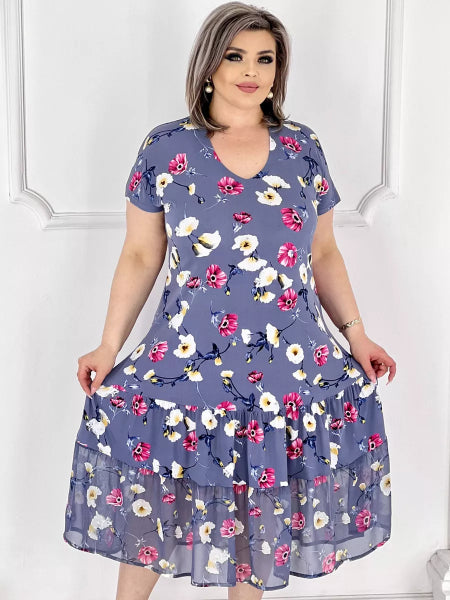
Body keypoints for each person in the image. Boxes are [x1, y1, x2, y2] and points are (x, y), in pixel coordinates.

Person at [63, 2, 396, 598]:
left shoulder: (302, 148)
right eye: (236, 55)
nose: (251, 71)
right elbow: (140, 255)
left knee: (260, 517)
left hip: (288, 368)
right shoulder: (166, 148)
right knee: (156, 503)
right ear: (209, 66)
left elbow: (323, 252)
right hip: (188, 367)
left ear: (278, 70)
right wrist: (109, 345)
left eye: (265, 59)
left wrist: (357, 333)